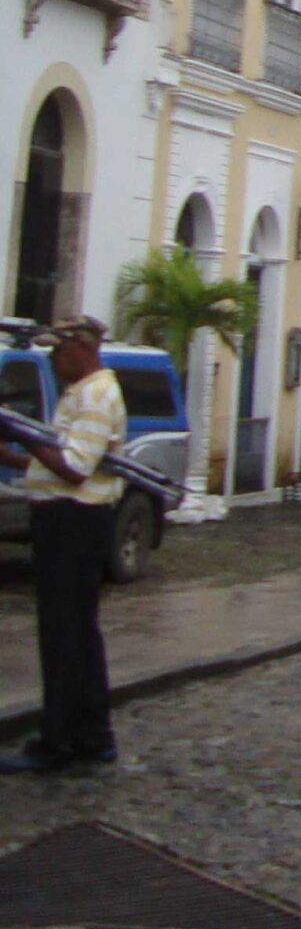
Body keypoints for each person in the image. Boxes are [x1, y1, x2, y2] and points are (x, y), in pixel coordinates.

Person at [0, 317, 126, 774]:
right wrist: (13, 454)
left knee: (64, 636)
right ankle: (91, 735)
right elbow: (60, 464)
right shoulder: (83, 392)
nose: (53, 361)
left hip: (73, 523)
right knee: (76, 634)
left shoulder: (94, 396)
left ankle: (61, 743)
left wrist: (25, 436)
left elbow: (74, 467)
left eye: (57, 351)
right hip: (68, 520)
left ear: (81, 347)